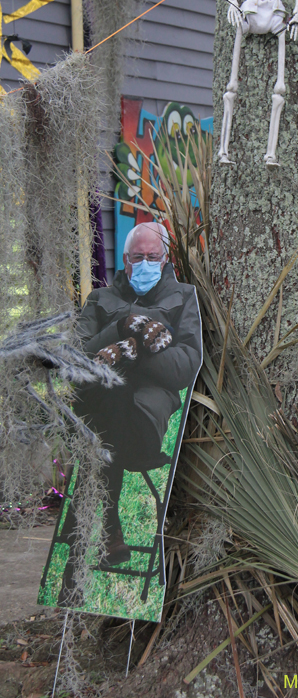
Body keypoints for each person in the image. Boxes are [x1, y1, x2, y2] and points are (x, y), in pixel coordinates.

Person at [57, 222, 202, 602]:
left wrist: (130, 351)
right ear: (125, 260)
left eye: (153, 257)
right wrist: (121, 327)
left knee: (101, 410)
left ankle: (103, 530)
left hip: (142, 429)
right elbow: (75, 359)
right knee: (101, 403)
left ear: (165, 258)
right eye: (138, 258)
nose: (145, 263)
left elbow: (185, 367)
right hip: (100, 419)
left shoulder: (184, 297)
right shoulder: (100, 300)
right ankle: (108, 527)